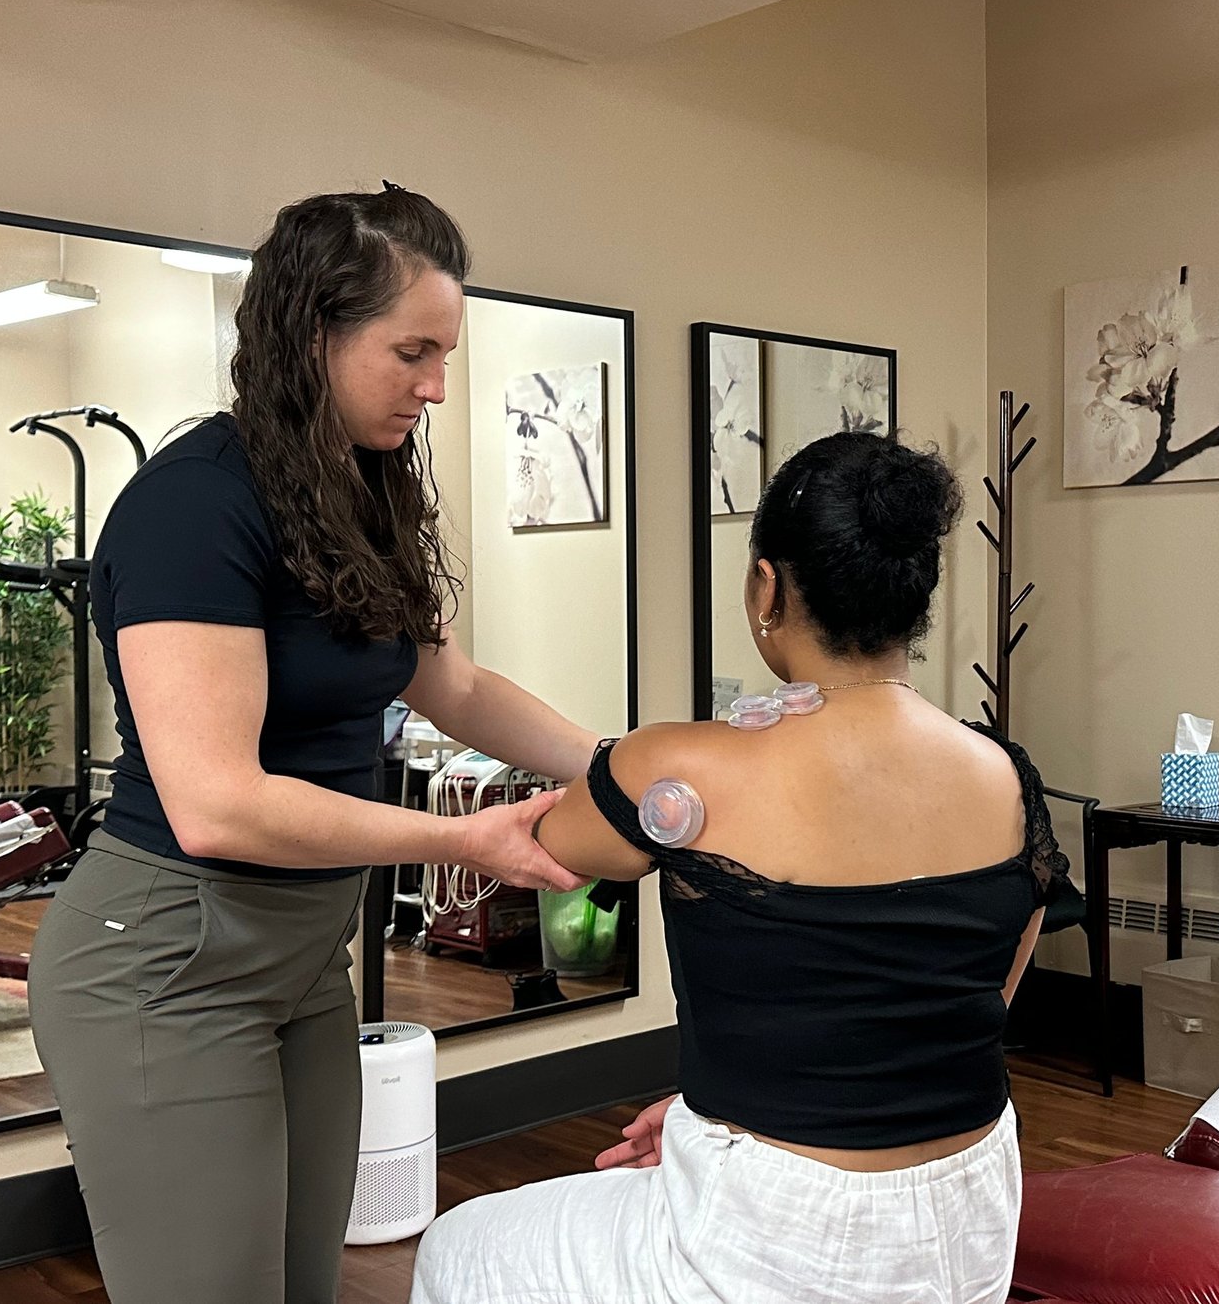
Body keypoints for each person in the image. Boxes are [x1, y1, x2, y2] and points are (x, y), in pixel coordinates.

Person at [28, 186, 595, 1304]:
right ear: (313, 333)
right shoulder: (191, 505)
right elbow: (217, 804)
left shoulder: (357, 490)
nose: (437, 385)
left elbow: (454, 684)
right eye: (413, 351)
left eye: (447, 354)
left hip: (299, 960)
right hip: (166, 960)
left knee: (303, 1286)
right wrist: (468, 836)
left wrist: (619, 762)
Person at [410, 430, 1070, 1304]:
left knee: (459, 1249)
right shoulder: (1006, 775)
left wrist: (655, 760)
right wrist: (703, 1121)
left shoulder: (680, 769)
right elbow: (978, 1000)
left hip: (779, 1244)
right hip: (970, 1223)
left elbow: (542, 846)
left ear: (768, 589)